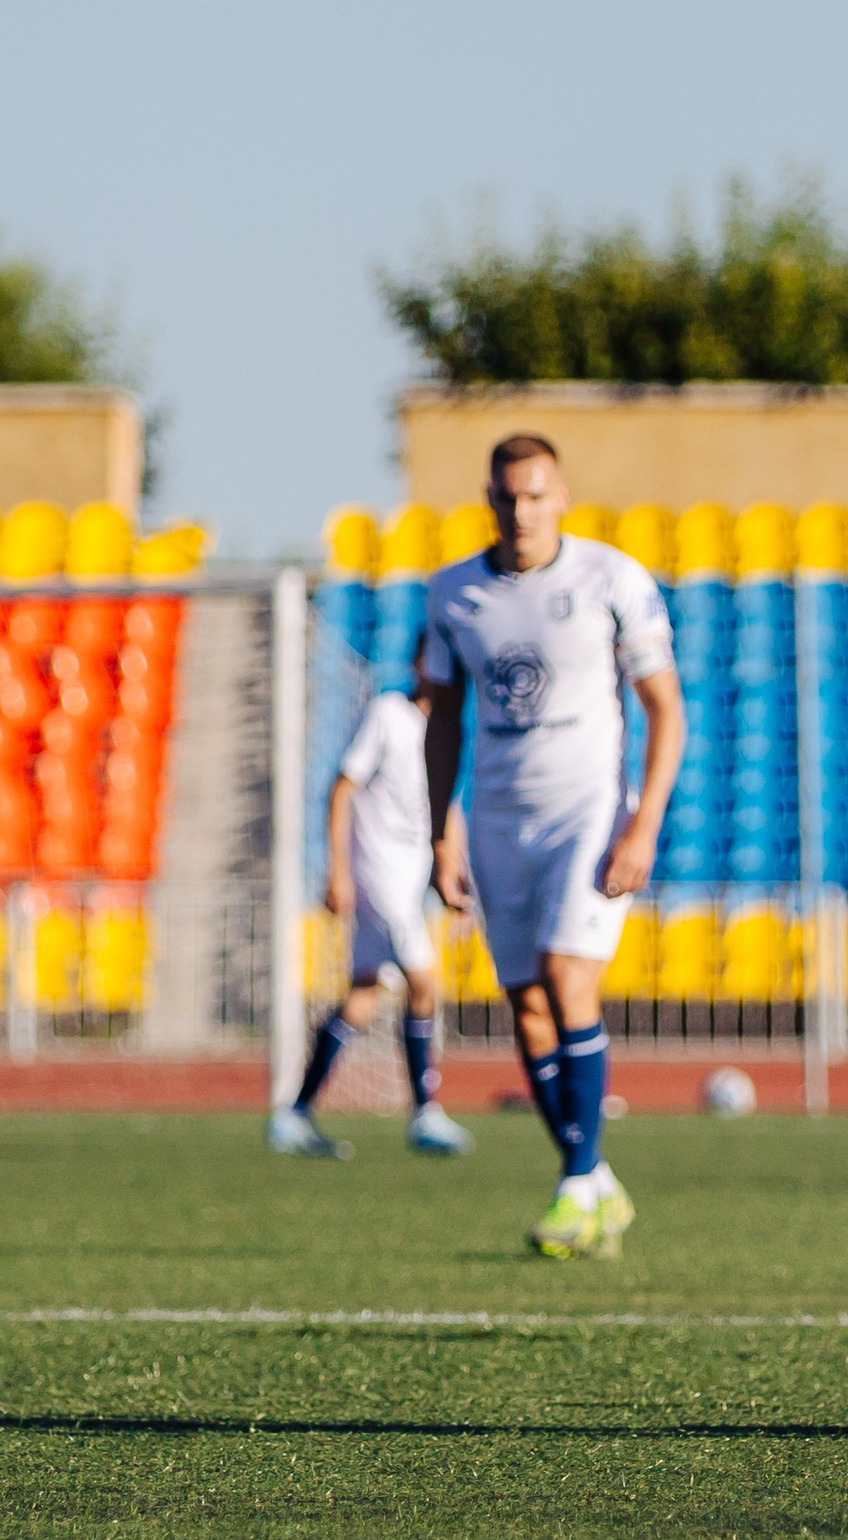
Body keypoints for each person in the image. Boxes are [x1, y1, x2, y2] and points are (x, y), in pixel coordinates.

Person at [421, 434, 684, 1258]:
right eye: (507, 497)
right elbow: (440, 721)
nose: (521, 511)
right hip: (499, 819)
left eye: (536, 495)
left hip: (589, 810)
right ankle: (594, 1178)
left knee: (571, 979)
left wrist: (642, 826)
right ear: (488, 499)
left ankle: (575, 1182)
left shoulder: (611, 578)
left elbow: (666, 709)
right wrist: (441, 829)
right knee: (528, 1003)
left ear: (561, 495)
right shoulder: (454, 594)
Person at [268, 637, 476, 1160]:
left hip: (411, 879)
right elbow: (343, 789)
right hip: (379, 876)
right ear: (418, 662)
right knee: (424, 984)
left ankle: (294, 1115)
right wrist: (338, 871)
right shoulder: (389, 713)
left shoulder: (449, 731)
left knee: (364, 994)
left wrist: (456, 877)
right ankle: (425, 1111)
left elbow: (448, 808)